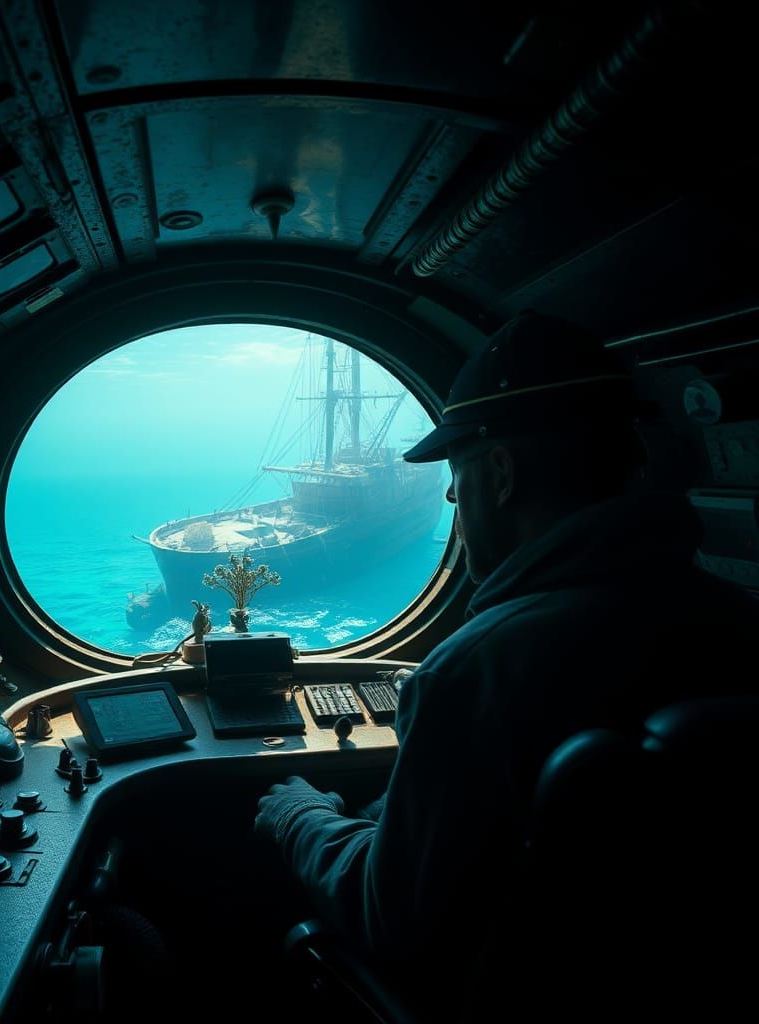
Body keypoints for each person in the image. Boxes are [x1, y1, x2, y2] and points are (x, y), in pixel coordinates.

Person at [254, 311, 759, 1018]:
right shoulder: (740, 622)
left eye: (455, 490)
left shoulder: (475, 670)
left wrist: (299, 816)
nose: (456, 510)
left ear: (498, 473)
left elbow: (389, 918)